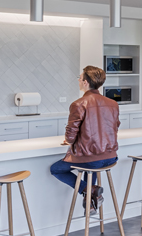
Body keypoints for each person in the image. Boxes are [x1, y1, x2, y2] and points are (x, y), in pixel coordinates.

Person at [50, 66, 120, 212]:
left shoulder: (78, 104)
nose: (79, 80)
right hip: (111, 157)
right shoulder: (113, 104)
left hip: (90, 158)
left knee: (56, 169)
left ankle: (88, 190)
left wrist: (68, 141)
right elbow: (115, 127)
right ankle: (90, 199)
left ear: (86, 82)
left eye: (80, 78)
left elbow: (70, 134)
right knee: (93, 165)